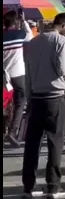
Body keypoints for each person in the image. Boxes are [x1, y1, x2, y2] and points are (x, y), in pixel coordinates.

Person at [21, 12, 65, 199]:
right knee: (54, 142)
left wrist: (29, 98)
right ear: (64, 26)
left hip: (35, 97)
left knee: (32, 144)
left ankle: (28, 186)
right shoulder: (61, 41)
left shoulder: (32, 42)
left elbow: (28, 74)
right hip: (54, 97)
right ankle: (53, 186)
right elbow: (63, 69)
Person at [3, 9, 33, 146]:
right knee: (20, 103)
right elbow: (30, 37)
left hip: (5, 76)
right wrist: (24, 21)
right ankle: (12, 131)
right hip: (19, 74)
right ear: (15, 21)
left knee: (6, 104)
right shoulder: (20, 34)